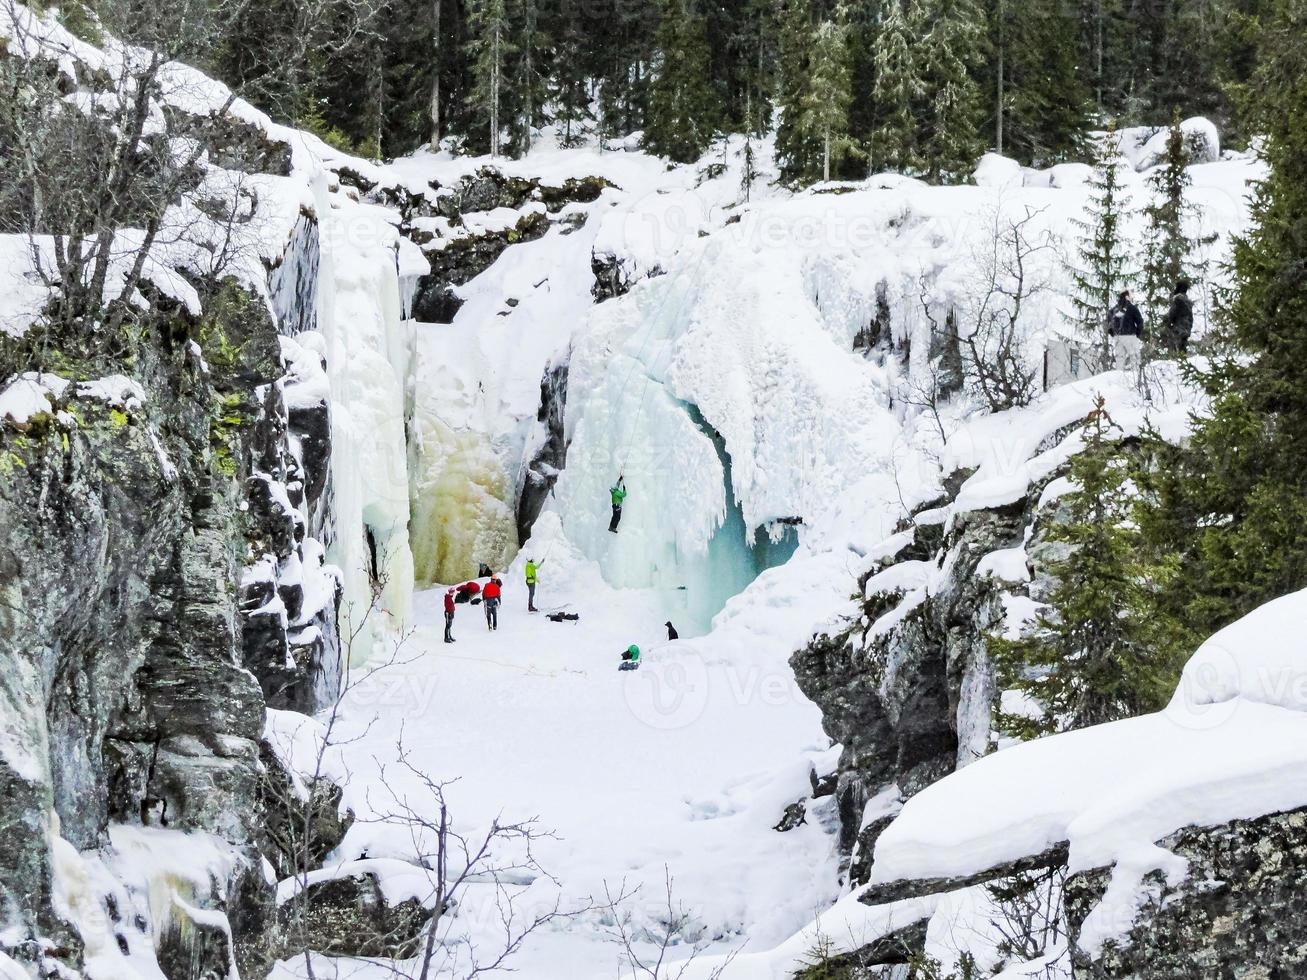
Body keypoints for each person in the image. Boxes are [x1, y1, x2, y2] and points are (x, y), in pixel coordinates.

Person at [1108, 290, 1144, 376]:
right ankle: (1136, 378)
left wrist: (1113, 333)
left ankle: (1119, 378)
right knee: (1134, 357)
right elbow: (1140, 321)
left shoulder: (1114, 309)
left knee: (1119, 359)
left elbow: (1109, 322)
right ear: (1127, 296)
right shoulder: (1132, 308)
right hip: (1130, 335)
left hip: (1117, 337)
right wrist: (1137, 334)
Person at [1162, 279, 1194, 354]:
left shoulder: (1178, 300)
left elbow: (1172, 314)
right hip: (1187, 328)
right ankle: (1183, 360)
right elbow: (1191, 318)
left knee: (1176, 347)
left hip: (1178, 328)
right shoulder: (1187, 302)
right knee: (1183, 347)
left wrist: (1168, 322)